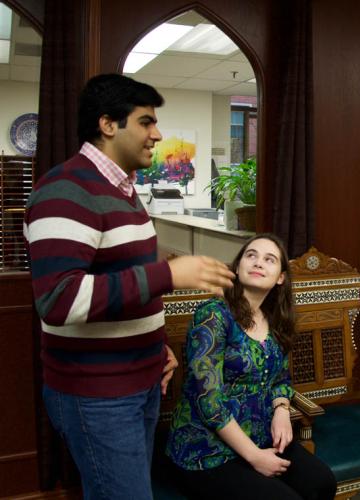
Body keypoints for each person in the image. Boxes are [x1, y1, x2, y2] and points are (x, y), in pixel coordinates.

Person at [24, 73, 235, 500]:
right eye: (145, 122)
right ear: (108, 125)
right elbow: (58, 300)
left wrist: (155, 346)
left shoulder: (123, 190)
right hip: (97, 395)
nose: (156, 134)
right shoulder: (65, 190)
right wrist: (169, 275)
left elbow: (119, 278)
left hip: (139, 381)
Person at [165, 234, 337, 500]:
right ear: (237, 266)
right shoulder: (213, 316)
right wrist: (255, 457)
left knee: (322, 483)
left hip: (260, 435)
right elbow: (209, 403)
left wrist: (281, 410)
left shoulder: (276, 320)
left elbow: (281, 379)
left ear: (280, 277)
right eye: (251, 255)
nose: (258, 263)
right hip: (206, 449)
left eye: (270, 259)